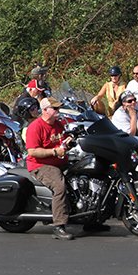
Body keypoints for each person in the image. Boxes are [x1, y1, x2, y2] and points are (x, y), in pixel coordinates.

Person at [25, 97, 89, 240]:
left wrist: (70, 142)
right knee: (60, 186)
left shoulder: (58, 125)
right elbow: (32, 152)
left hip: (60, 162)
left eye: (58, 108)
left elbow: (62, 143)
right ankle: (59, 225)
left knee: (84, 173)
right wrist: (54, 152)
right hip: (41, 165)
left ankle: (91, 218)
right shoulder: (35, 127)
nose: (58, 111)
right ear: (45, 110)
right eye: (55, 109)